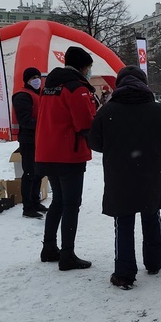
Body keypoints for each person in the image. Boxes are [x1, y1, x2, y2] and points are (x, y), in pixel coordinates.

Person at [88, 65, 161, 290]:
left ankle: (124, 273)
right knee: (151, 216)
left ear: (119, 85)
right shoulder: (156, 110)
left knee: (124, 221)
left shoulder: (108, 111)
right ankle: (154, 262)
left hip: (119, 176)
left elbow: (94, 142)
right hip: (150, 174)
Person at [35, 46, 96, 271]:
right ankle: (68, 254)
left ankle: (49, 247)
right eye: (89, 67)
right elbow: (84, 124)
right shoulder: (76, 88)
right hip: (68, 155)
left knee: (58, 201)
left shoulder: (49, 86)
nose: (90, 71)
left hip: (48, 152)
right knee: (71, 204)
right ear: (82, 66)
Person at [12, 67, 49, 219]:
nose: (37, 80)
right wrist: (45, 124)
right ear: (27, 80)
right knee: (29, 173)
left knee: (39, 172)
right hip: (29, 140)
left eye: (38, 77)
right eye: (33, 77)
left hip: (40, 139)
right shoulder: (22, 96)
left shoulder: (38, 93)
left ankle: (35, 200)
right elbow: (25, 120)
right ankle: (28, 206)